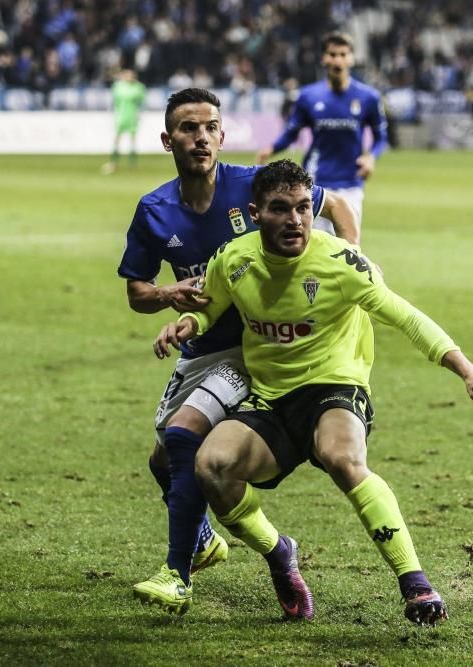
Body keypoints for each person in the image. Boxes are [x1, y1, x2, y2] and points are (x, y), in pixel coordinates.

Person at [153, 159, 473, 626]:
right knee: (211, 467)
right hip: (270, 398)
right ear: (256, 213)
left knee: (341, 457)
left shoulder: (342, 263)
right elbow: (210, 307)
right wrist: (187, 323)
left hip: (334, 386)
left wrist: (469, 372)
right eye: (281, 209)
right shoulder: (234, 259)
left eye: (302, 208)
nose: (295, 220)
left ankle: (415, 582)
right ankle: (280, 554)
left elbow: (408, 318)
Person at [119, 89, 359, 614]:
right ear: (168, 140)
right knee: (164, 461)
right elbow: (137, 291)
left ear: (223, 136)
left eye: (209, 127)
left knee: (183, 436)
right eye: (187, 128)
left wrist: (349, 258)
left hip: (253, 349)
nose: (200, 136)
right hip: (200, 347)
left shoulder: (254, 187)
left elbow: (336, 204)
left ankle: (175, 574)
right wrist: (167, 295)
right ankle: (239, 544)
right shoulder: (155, 210)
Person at [255, 31, 388, 238]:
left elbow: (381, 138)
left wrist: (371, 157)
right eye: (333, 54)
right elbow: (291, 133)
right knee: (312, 249)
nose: (338, 60)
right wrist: (270, 149)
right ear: (324, 58)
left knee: (348, 250)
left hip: (351, 184)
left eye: (343, 54)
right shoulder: (308, 97)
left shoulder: (368, 97)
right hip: (315, 183)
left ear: (351, 58)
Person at [102, 68, 146, 174]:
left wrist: (140, 114)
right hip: (121, 116)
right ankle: (114, 163)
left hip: (132, 116)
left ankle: (132, 164)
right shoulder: (118, 87)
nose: (129, 77)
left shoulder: (139, 87)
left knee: (132, 140)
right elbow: (115, 102)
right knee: (117, 138)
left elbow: (142, 102)